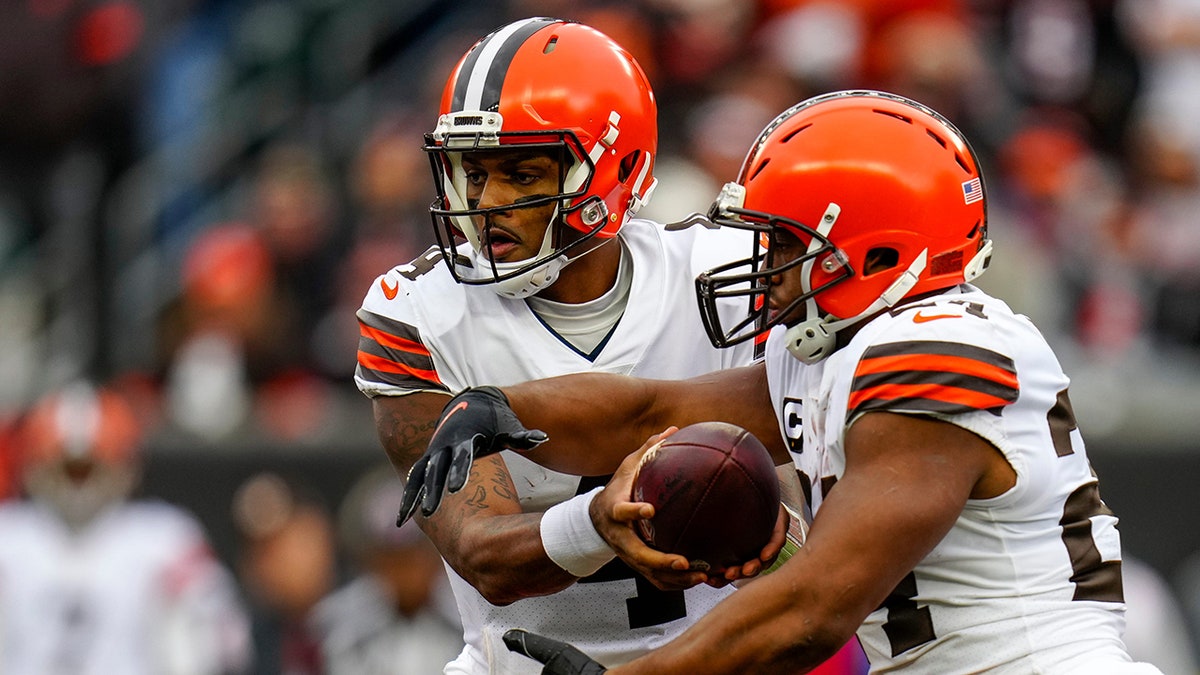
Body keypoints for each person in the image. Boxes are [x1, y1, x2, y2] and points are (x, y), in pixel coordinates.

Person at [400, 90, 1165, 674]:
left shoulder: (938, 350)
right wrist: (498, 407)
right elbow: (650, 409)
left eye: (785, 244)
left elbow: (817, 603)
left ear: (872, 254)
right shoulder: (842, 348)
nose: (761, 269)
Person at [353, 16, 866, 675]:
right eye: (472, 172)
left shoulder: (724, 275)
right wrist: (597, 521)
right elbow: (480, 553)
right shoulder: (417, 312)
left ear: (615, 171)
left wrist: (769, 539)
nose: (487, 201)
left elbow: (818, 542)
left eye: (523, 174)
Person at [0, 381, 252, 675]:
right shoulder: (10, 535)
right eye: (68, 469)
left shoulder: (164, 538)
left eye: (92, 467)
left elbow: (226, 639)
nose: (80, 485)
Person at [309, 463, 465, 674]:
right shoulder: (334, 623)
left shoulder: (469, 616)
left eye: (412, 558)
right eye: (391, 560)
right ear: (371, 561)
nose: (404, 573)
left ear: (435, 555)